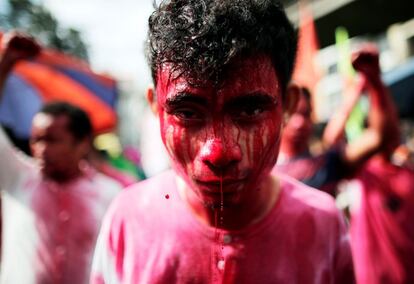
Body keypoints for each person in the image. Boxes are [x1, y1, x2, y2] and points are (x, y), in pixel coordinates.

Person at [91, 0, 354, 283]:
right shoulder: (129, 219)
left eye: (250, 110)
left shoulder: (322, 224)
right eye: (188, 112)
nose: (217, 153)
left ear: (287, 105)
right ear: (156, 106)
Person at [0, 33, 121, 283]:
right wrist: (5, 64)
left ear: (82, 143)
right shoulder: (17, 177)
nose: (41, 149)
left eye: (52, 140)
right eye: (36, 139)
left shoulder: (112, 195)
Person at [274, 45, 392, 196]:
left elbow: (378, 136)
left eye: (306, 114)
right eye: (292, 114)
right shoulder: (261, 176)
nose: (300, 123)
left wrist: (374, 80)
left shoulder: (328, 163)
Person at [345, 47, 414, 284]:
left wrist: (375, 81)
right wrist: (370, 83)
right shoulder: (361, 171)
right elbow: (381, 133)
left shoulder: (408, 172)